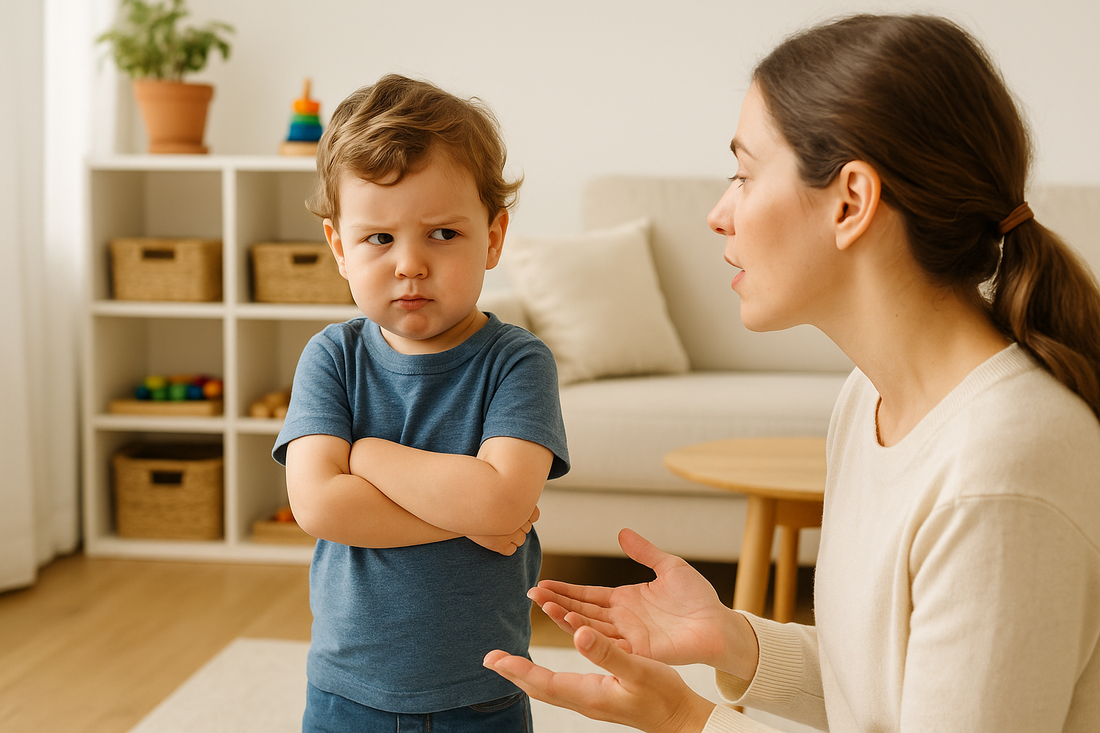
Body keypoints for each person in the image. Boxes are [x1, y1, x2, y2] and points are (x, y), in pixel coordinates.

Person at [484, 13, 1100, 733]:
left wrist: (690, 718)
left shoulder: (1001, 473)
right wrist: (733, 639)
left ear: (851, 202)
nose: (719, 214)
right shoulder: (870, 397)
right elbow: (881, 695)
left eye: (744, 173)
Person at [273, 74, 570, 732]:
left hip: (484, 691)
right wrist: (468, 512)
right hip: (347, 692)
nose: (410, 263)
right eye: (379, 238)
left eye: (442, 234)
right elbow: (321, 505)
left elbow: (502, 503)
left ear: (493, 237)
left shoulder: (518, 361)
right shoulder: (332, 357)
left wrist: (370, 455)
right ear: (339, 247)